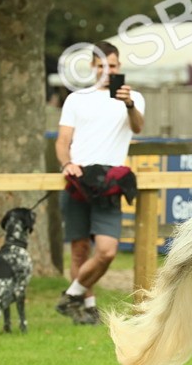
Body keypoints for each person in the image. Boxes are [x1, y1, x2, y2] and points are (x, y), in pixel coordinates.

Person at [54, 42, 145, 324]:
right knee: (80, 249)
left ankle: (72, 294)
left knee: (106, 250)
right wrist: (67, 163)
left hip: (110, 180)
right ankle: (87, 307)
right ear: (93, 67)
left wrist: (128, 103)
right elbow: (62, 141)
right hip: (78, 178)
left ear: (120, 68)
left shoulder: (133, 98)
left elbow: (138, 127)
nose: (108, 71)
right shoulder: (76, 99)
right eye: (102, 66)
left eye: (113, 66)